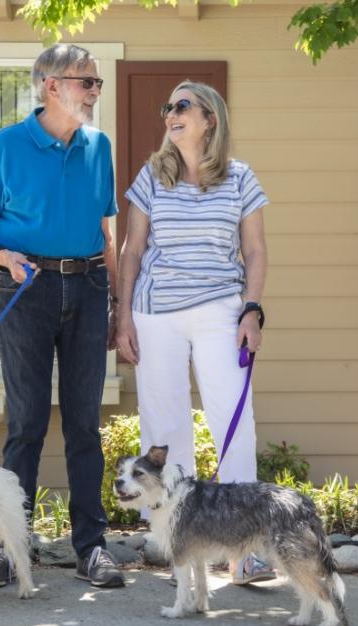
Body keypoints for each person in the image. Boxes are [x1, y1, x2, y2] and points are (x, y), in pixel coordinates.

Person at [0, 44, 124, 589]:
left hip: (88, 284)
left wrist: (117, 306)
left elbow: (108, 234)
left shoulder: (99, 148)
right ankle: (11, 547)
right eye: (87, 83)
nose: (95, 92)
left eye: (97, 84)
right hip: (23, 286)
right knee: (26, 421)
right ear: (51, 85)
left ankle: (91, 548)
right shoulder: (6, 146)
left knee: (84, 423)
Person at [115, 80, 275, 584]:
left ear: (210, 118)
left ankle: (246, 549)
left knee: (233, 421)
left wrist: (252, 310)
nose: (171, 114)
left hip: (220, 310)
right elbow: (132, 251)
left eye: (182, 105)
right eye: (168, 107)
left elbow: (254, 251)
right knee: (165, 428)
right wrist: (122, 318)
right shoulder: (150, 176)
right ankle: (178, 542)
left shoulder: (240, 177)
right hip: (155, 313)